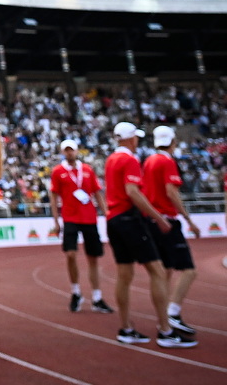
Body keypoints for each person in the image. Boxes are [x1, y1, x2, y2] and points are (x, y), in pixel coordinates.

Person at [102, 121, 195, 348]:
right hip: (129, 219)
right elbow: (132, 192)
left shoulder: (111, 159)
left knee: (124, 275)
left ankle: (126, 328)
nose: (137, 141)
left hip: (113, 219)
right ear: (130, 139)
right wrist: (159, 217)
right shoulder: (130, 160)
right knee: (158, 271)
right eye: (136, 137)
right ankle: (165, 330)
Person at [142, 125, 200, 335]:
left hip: (152, 220)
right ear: (173, 142)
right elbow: (171, 192)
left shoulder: (149, 161)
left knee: (164, 271)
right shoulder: (167, 161)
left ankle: (164, 318)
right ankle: (172, 313)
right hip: (166, 219)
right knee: (189, 270)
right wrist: (188, 218)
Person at [47, 138, 113, 314]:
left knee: (93, 258)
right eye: (66, 150)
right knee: (70, 254)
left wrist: (107, 213)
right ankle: (76, 291)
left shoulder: (87, 170)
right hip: (70, 218)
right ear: (63, 152)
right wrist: (56, 221)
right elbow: (53, 197)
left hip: (89, 218)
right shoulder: (58, 171)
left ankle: (97, 297)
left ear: (77, 151)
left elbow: (97, 193)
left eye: (72, 150)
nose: (70, 153)